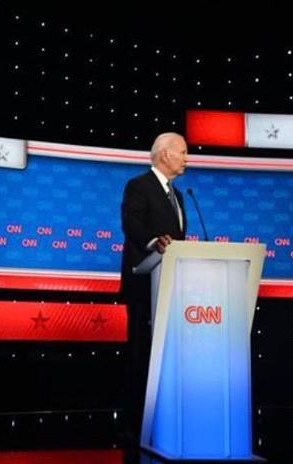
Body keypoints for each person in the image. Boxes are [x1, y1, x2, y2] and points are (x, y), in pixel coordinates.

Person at [119, 132, 188, 447]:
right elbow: (131, 224)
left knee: (166, 359)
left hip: (171, 288)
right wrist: (154, 243)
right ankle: (134, 428)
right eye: (182, 152)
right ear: (164, 154)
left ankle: (162, 424)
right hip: (143, 285)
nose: (186, 159)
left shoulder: (179, 195)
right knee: (141, 356)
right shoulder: (138, 185)